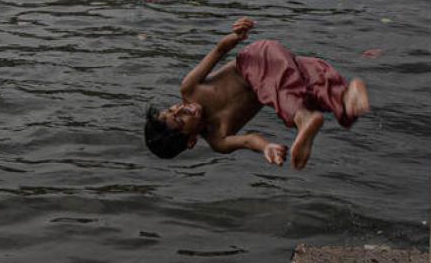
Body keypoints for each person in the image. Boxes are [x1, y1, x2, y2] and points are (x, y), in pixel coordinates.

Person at [143, 18, 370, 170]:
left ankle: (304, 119)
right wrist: (267, 147)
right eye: (181, 119)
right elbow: (250, 140)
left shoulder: (189, 88)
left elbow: (218, 51)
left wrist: (236, 37)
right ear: (191, 141)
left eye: (174, 108)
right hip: (277, 81)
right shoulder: (219, 139)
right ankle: (347, 99)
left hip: (256, 58)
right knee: (309, 83)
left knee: (285, 94)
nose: (183, 108)